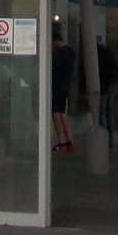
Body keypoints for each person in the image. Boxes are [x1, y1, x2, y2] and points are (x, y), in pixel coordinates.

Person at [50, 25, 76, 153]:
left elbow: (56, 69)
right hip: (65, 85)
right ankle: (69, 140)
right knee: (61, 113)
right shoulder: (70, 52)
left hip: (58, 86)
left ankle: (62, 142)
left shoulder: (62, 53)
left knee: (55, 113)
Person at [95, 39, 118, 138]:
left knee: (102, 110)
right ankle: (109, 136)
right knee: (108, 109)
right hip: (112, 82)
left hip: (105, 83)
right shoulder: (107, 52)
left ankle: (104, 135)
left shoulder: (99, 54)